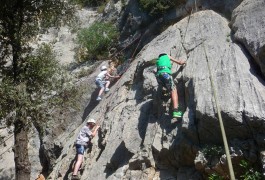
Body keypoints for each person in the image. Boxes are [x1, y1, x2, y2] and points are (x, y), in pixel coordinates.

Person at [156, 53, 186, 118]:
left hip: (158, 77)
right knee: (173, 89)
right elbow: (179, 62)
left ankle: (166, 92)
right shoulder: (167, 56)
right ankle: (176, 111)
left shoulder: (157, 60)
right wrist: (182, 62)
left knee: (167, 85)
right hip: (165, 74)